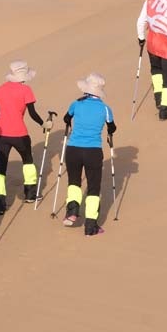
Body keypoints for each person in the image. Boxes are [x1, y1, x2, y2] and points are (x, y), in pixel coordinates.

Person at [61, 74, 116, 237]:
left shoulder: (76, 103)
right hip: (93, 151)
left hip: (73, 149)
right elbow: (112, 127)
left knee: (74, 182)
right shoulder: (105, 108)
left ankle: (72, 212)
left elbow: (66, 118)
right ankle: (90, 226)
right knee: (93, 187)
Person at [0, 61, 48, 213]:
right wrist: (43, 124)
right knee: (28, 162)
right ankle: (30, 195)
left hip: (1, 135)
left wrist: (4, 123)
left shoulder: (1, 88)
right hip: (20, 134)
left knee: (0, 169)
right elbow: (32, 113)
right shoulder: (26, 90)